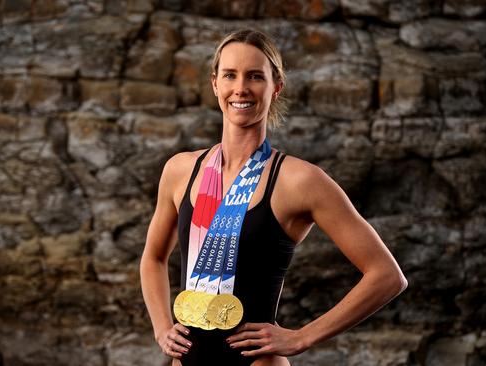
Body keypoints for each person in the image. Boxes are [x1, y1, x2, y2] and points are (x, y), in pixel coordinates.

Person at [140, 29, 408, 366]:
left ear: (275, 86)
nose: (241, 88)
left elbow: (387, 275)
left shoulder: (299, 181)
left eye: (255, 76)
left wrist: (302, 337)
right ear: (215, 84)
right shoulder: (180, 170)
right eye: (230, 75)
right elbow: (153, 258)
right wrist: (162, 328)